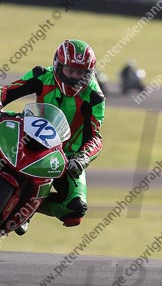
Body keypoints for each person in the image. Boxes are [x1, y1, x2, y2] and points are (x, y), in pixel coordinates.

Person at [0, 39, 105, 233]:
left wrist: (82, 158)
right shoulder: (41, 74)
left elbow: (95, 138)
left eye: (80, 73)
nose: (74, 77)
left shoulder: (94, 97)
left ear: (89, 73)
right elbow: (8, 92)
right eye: (70, 71)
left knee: (75, 209)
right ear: (58, 66)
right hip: (29, 135)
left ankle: (28, 206)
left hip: (66, 156)